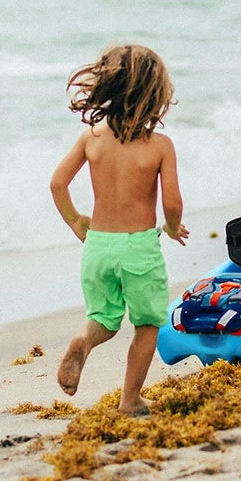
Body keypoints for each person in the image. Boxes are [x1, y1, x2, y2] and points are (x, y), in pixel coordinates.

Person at [49, 43, 188, 411]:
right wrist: (173, 228)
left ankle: (83, 339)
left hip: (98, 246)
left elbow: (57, 184)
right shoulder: (159, 146)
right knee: (147, 323)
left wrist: (76, 220)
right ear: (155, 96)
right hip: (138, 248)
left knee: (103, 319)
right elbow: (172, 203)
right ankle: (129, 399)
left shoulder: (92, 138)